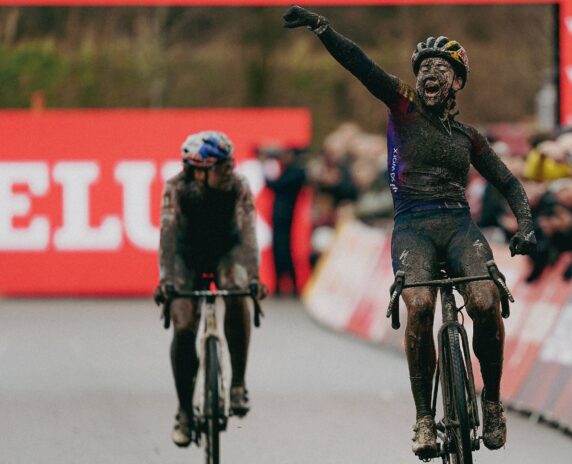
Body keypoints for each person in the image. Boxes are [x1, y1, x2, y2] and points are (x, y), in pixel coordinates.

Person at [283, 6, 536, 458]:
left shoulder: (469, 137)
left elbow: (509, 183)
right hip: (413, 226)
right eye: (423, 69)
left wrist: (527, 226)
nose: (430, 76)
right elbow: (361, 65)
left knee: (483, 300)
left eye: (441, 69)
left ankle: (492, 400)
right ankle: (424, 417)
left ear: (458, 82)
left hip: (458, 225)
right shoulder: (402, 105)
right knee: (418, 303)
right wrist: (324, 29)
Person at [154, 131, 266, 447]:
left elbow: (247, 233)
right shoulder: (177, 187)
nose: (230, 169)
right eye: (222, 165)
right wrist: (166, 281)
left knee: (237, 289)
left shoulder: (237, 185)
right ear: (199, 169)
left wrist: (253, 278)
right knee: (184, 323)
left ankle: (238, 384)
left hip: (226, 252)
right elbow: (168, 234)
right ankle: (185, 412)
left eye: (230, 163)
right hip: (185, 256)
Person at [259, 144, 307, 295]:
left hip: (287, 217)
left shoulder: (297, 172)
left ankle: (292, 285)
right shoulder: (287, 171)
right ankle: (280, 285)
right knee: (278, 252)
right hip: (279, 217)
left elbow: (275, 184)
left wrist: (265, 171)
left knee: (285, 251)